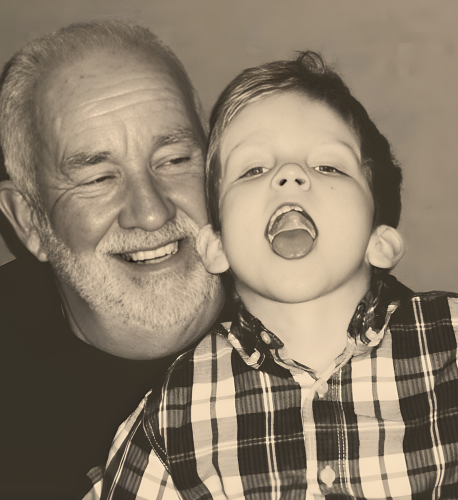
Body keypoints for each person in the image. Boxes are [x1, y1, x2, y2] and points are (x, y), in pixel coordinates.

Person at [95, 52, 458, 499]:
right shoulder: (172, 413)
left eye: (328, 166)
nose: (289, 176)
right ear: (216, 246)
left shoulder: (451, 337)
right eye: (253, 169)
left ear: (379, 241)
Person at [0, 20, 225, 499]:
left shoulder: (330, 317)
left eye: (175, 160)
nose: (151, 212)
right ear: (30, 221)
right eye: (98, 178)